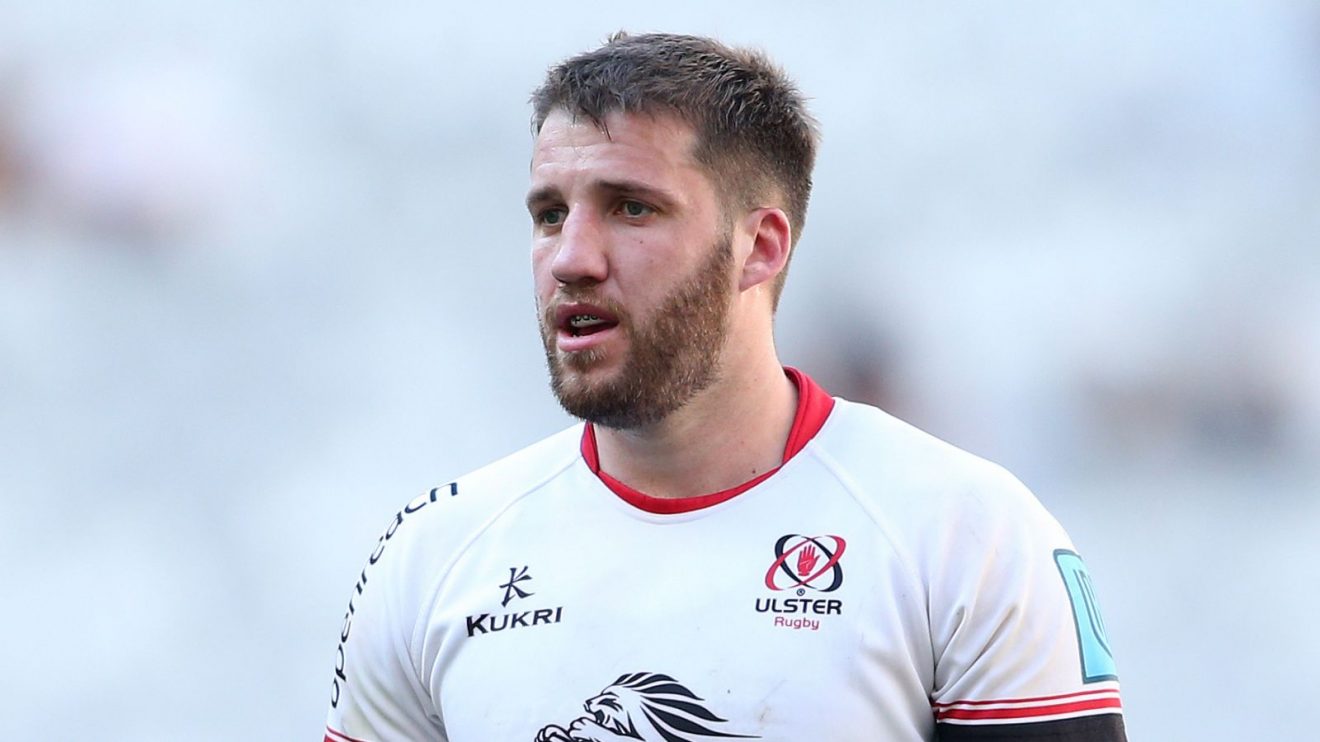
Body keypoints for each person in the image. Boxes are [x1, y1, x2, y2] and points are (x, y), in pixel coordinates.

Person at [325, 32, 1127, 742]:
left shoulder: (966, 535)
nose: (571, 257)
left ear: (760, 247)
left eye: (631, 209)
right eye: (548, 214)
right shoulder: (434, 555)